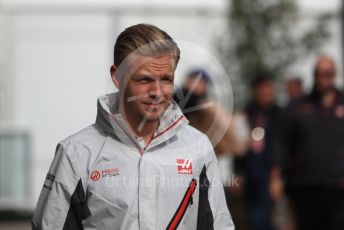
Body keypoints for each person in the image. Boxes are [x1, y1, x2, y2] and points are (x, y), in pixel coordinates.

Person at [31, 24, 234, 230]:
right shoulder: (76, 153)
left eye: (166, 79)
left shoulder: (198, 147)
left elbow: (219, 225)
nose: (157, 91)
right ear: (117, 76)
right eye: (145, 79)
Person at [270, 55, 344, 230]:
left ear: (334, 75)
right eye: (319, 73)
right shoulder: (298, 107)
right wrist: (275, 177)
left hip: (338, 187)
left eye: (328, 73)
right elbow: (280, 143)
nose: (323, 77)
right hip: (305, 186)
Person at [235, 76, 281, 230]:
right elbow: (238, 147)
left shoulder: (280, 115)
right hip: (251, 175)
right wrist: (237, 173)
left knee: (270, 220)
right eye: (262, 90)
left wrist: (277, 176)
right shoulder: (246, 114)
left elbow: (282, 147)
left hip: (273, 174)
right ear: (255, 92)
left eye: (269, 90)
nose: (266, 93)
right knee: (253, 220)